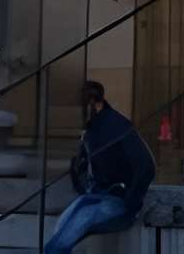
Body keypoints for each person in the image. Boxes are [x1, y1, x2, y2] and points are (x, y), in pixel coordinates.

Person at [42, 80, 155, 254]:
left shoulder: (118, 125)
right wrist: (78, 164)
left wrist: (130, 202)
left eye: (84, 108)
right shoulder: (91, 129)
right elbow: (82, 171)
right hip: (96, 195)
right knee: (63, 224)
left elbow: (147, 166)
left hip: (119, 200)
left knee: (79, 220)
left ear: (96, 103)